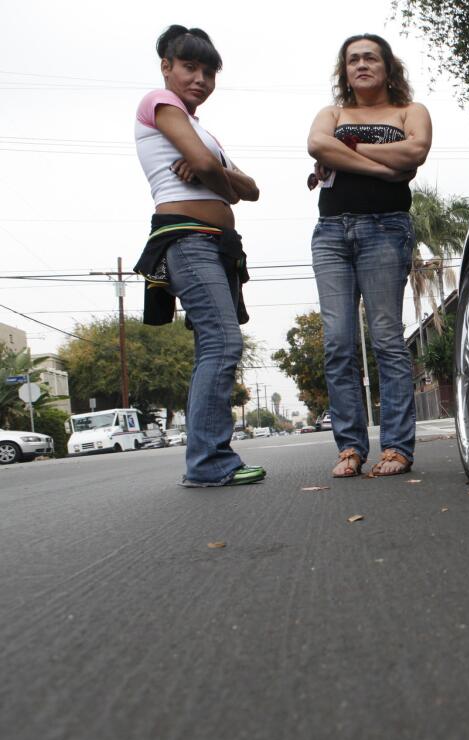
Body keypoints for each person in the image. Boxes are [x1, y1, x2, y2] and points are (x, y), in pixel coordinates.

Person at [132, 25, 265, 487]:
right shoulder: (158, 102)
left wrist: (215, 170)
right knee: (222, 344)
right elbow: (219, 177)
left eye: (209, 72)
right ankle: (208, 463)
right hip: (187, 240)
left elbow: (253, 189)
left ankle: (209, 458)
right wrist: (214, 173)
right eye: (189, 66)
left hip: (215, 244)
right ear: (166, 66)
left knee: (216, 345)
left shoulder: (202, 131)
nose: (200, 79)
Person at [307, 34, 431, 478]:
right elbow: (318, 146)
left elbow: (415, 151)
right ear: (345, 70)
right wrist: (385, 167)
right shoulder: (333, 113)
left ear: (386, 66)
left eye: (370, 57)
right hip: (331, 233)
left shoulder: (409, 112)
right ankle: (350, 449)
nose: (361, 64)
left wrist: (350, 151)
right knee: (338, 342)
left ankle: (396, 446)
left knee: (386, 340)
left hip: (385, 229)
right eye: (353, 59)